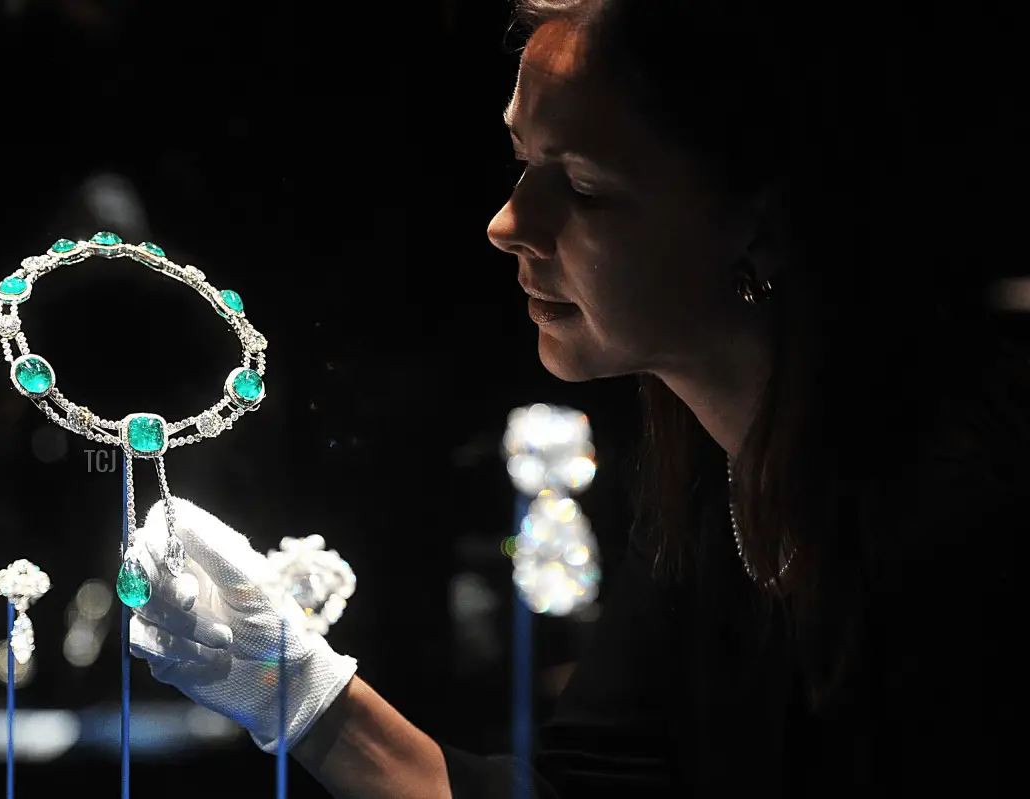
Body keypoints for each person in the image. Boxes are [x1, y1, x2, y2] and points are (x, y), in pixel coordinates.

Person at [126, 1, 1028, 796]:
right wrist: (295, 687)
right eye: (521, 161)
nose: (508, 222)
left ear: (762, 219)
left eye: (586, 189)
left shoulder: (969, 519)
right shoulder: (702, 499)